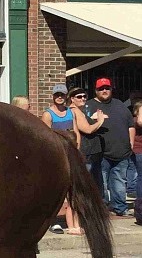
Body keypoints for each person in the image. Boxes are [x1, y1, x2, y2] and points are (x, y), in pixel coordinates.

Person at [85, 77, 135, 217]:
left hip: (122, 151)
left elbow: (131, 125)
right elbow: (84, 128)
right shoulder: (89, 106)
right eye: (101, 89)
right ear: (96, 91)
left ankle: (119, 208)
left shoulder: (120, 105)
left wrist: (130, 142)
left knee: (119, 182)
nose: (105, 91)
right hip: (100, 153)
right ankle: (102, 208)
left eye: (107, 88)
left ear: (111, 89)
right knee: (101, 183)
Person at [42, 84, 80, 234]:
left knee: (72, 190)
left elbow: (76, 132)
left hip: (71, 154)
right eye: (57, 94)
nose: (60, 97)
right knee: (55, 190)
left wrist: (77, 151)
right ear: (53, 96)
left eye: (62, 95)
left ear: (66, 97)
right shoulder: (48, 114)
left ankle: (74, 223)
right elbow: (45, 137)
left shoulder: (71, 112)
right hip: (56, 156)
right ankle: (53, 222)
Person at [68, 86, 107, 196]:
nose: (83, 99)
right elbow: (88, 130)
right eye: (79, 97)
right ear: (72, 99)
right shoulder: (74, 111)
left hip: (91, 152)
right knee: (89, 182)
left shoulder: (80, 111)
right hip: (87, 152)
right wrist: (100, 121)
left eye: (85, 96)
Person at [132, 100, 142, 225]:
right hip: (140, 151)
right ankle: (140, 206)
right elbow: (140, 121)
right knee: (141, 178)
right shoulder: (136, 120)